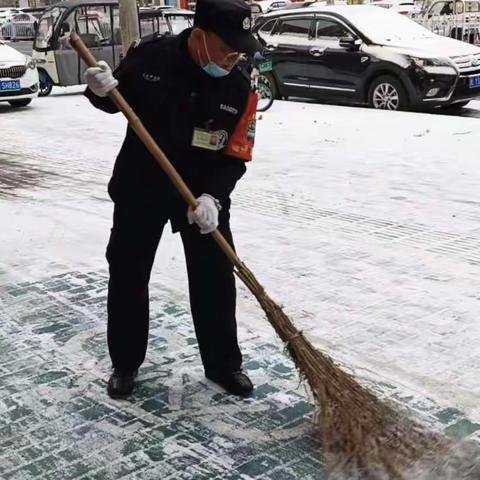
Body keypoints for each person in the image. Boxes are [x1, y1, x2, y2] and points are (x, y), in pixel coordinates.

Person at [83, 0, 260, 399]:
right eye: (228, 47)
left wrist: (214, 197)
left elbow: (237, 154)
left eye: (241, 49)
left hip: (200, 195)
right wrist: (99, 90)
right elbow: (114, 98)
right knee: (128, 273)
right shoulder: (151, 58)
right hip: (141, 187)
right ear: (200, 36)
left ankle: (223, 365)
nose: (235, 57)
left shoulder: (240, 86)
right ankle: (125, 363)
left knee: (215, 277)